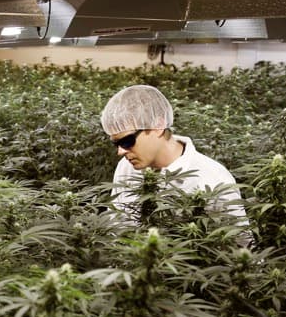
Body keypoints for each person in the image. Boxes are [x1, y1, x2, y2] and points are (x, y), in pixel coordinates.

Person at [100, 84, 246, 222]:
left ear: (158, 125)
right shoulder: (126, 167)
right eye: (116, 144)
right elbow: (115, 225)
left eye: (127, 141)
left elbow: (239, 239)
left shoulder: (214, 180)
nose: (120, 151)